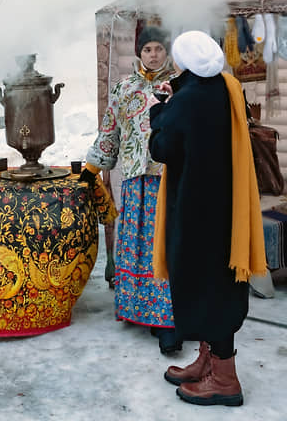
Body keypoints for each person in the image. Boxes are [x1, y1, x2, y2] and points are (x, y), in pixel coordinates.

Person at [147, 30, 268, 407]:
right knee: (219, 282)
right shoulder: (226, 87)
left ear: (184, 62)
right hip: (225, 204)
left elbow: (163, 148)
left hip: (196, 209)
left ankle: (225, 380)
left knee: (203, 286)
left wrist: (159, 110)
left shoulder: (187, 100)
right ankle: (207, 361)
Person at [80, 25, 182, 355]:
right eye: (148, 49)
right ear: (139, 52)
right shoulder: (125, 88)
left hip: (169, 178)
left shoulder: (179, 85)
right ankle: (138, 309)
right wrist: (92, 168)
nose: (153, 54)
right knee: (138, 244)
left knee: (164, 246)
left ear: (168, 52)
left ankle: (167, 319)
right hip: (136, 180)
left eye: (159, 49)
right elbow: (110, 129)